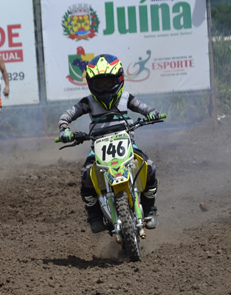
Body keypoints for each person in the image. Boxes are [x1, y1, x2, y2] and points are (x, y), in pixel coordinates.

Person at [58, 54, 162, 233]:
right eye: (100, 84)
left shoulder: (126, 98)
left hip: (127, 144)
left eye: (109, 82)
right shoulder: (88, 102)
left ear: (119, 80)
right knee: (86, 175)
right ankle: (94, 215)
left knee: (149, 167)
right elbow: (67, 115)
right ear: (91, 84)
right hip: (98, 147)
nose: (105, 88)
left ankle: (150, 209)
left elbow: (143, 107)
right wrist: (64, 129)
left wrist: (152, 113)